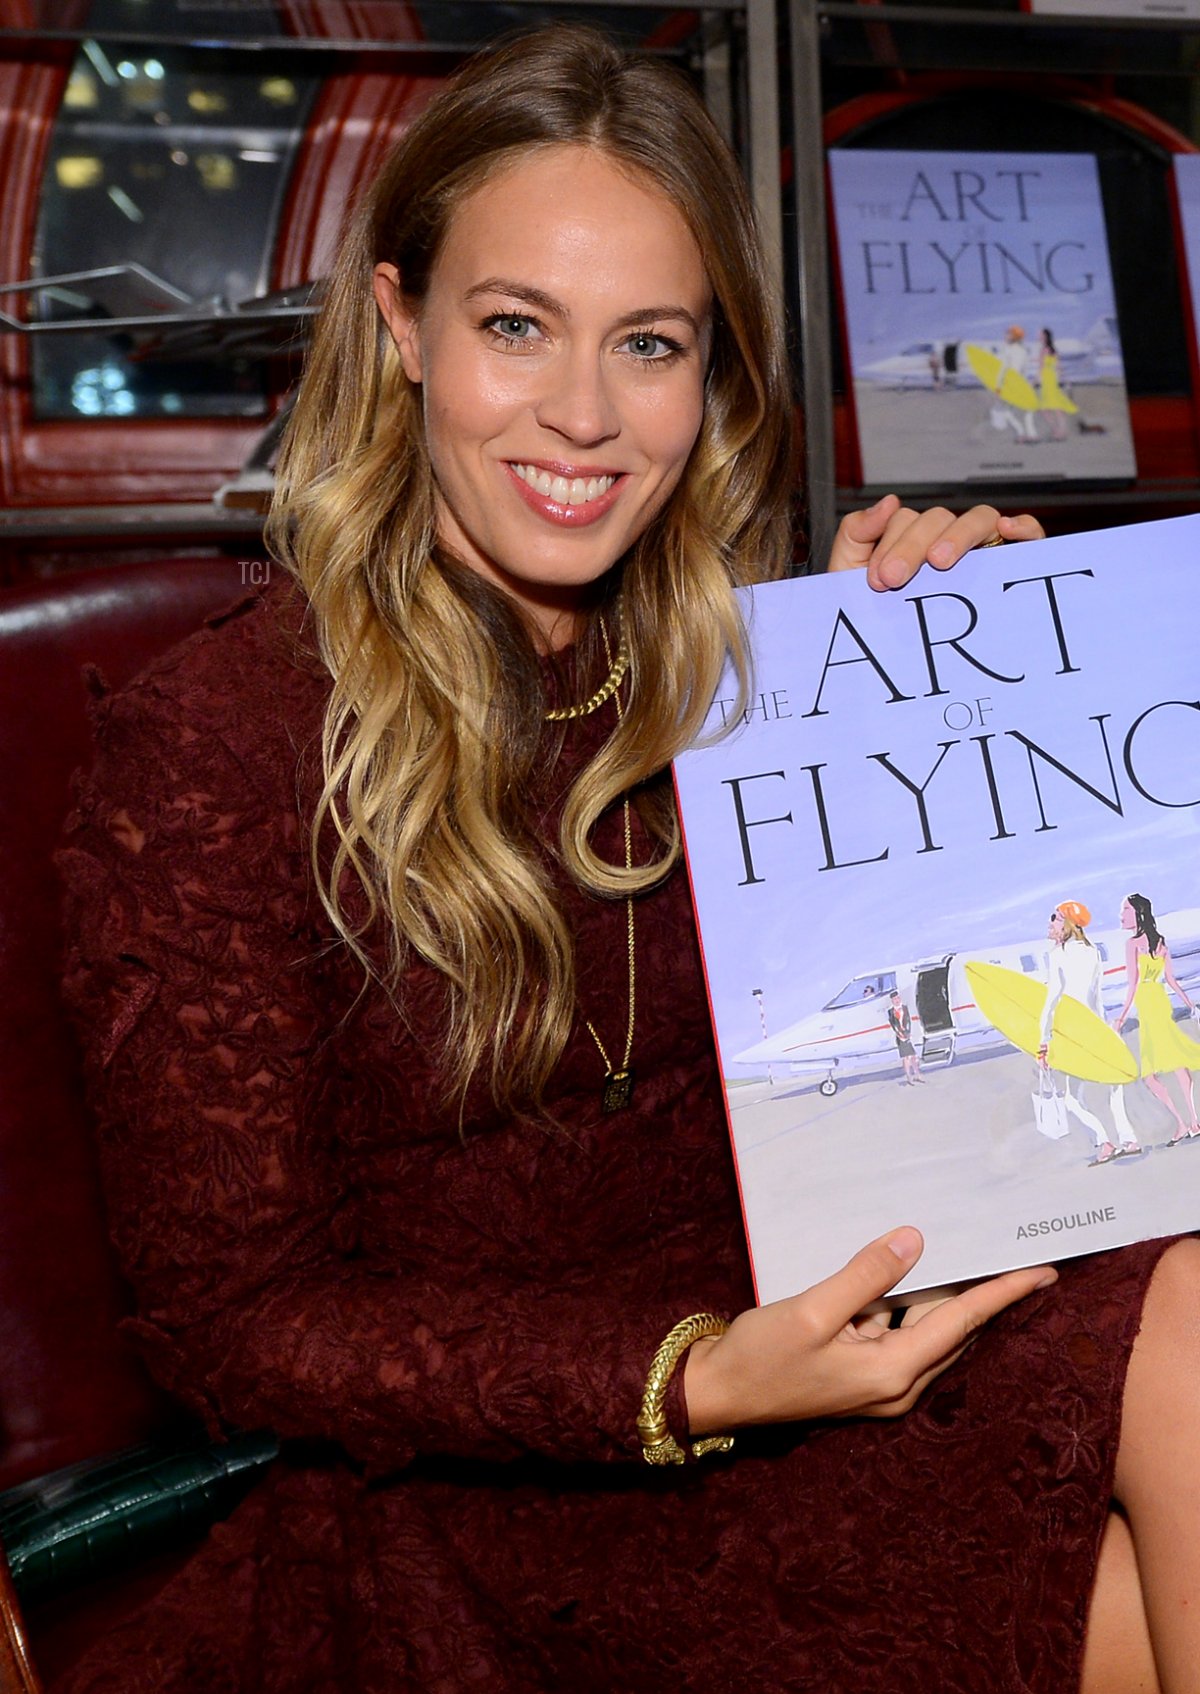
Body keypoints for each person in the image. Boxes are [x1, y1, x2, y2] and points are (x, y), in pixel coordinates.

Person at [53, 27, 1200, 1694]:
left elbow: (970, 1054)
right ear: (401, 328)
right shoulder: (213, 743)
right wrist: (693, 1379)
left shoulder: (754, 678)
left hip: (818, 1341)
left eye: (647, 342)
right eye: (517, 325)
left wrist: (959, 657)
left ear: (711, 374)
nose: (583, 412)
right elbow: (234, 1323)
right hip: (513, 1488)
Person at [1037, 900, 1142, 1165]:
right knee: (1113, 1087)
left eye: (1055, 918)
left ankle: (1104, 1141)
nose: (1050, 923)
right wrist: (1108, 1031)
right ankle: (1129, 1139)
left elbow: (1051, 1001)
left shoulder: (1057, 955)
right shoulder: (1092, 952)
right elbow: (1097, 999)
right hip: (1096, 1028)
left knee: (1072, 1097)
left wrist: (1043, 1041)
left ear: (1067, 924)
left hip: (1074, 1033)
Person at [1115, 892, 1200, 1147]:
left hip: (1149, 1007)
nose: (1121, 916)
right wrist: (1191, 1005)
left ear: (1138, 914)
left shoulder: (1132, 944)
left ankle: (1184, 1123)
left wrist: (1119, 1018)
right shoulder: (1160, 942)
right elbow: (1172, 981)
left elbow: (1133, 985)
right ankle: (1193, 1121)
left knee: (1152, 1074)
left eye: (1125, 910)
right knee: (1176, 1062)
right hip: (1159, 1002)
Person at [1038, 327, 1078, 443]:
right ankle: (1058, 430)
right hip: (1048, 381)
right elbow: (1056, 367)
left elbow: (1052, 367)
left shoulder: (1046, 350)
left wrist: (1064, 380)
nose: (1039, 337)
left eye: (1040, 335)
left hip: (1049, 381)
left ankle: (1060, 431)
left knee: (1054, 408)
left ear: (1045, 336)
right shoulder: (1050, 349)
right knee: (1050, 408)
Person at [888, 988, 923, 1085]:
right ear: (892, 1001)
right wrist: (900, 1035)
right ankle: (909, 1076)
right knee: (906, 1057)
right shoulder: (891, 1012)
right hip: (900, 1037)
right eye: (895, 999)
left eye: (898, 998)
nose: (897, 1000)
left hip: (907, 1035)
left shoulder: (905, 1008)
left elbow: (908, 1021)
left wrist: (908, 1033)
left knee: (913, 1056)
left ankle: (917, 1074)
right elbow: (893, 1025)